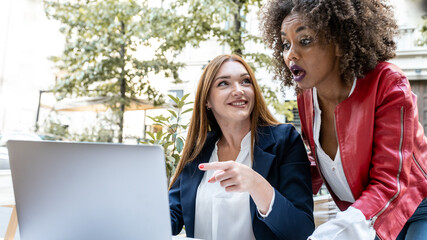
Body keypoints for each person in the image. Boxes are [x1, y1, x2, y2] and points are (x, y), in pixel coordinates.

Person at [260, 0, 427, 240]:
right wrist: (265, 180)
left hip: (417, 206)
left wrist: (338, 228)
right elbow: (326, 162)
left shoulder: (388, 84)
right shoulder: (306, 96)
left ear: (339, 43)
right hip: (367, 210)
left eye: (304, 40)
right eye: (286, 44)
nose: (290, 54)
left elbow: (389, 182)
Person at [168, 54, 314, 240]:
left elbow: (302, 231)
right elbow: (168, 219)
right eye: (223, 83)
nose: (239, 90)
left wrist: (255, 184)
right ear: (207, 101)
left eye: (245, 81)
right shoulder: (199, 150)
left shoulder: (284, 140)